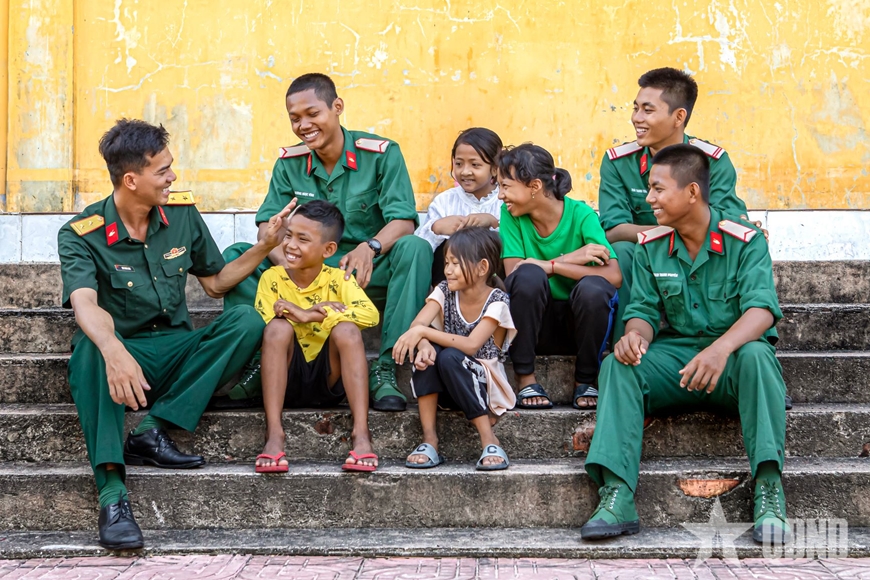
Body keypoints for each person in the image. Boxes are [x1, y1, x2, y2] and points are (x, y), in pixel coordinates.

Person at [58, 119, 293, 550]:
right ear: (131, 180)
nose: (172, 177)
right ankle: (112, 495)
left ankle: (152, 428)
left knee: (245, 320)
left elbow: (216, 283)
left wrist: (265, 247)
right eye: (162, 170)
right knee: (89, 349)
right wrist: (113, 349)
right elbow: (85, 303)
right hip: (123, 351)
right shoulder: (81, 233)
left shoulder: (181, 214)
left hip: (174, 349)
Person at [581, 144, 789, 545]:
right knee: (617, 365)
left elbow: (762, 311)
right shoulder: (651, 246)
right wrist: (634, 337)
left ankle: (769, 489)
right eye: (649, 189)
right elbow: (642, 310)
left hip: (731, 363)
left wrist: (720, 349)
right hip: (677, 362)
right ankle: (617, 494)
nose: (649, 198)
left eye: (658, 189)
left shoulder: (745, 242)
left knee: (758, 355)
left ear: (692, 192)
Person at [220, 73, 432, 412]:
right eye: (295, 118)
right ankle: (259, 364)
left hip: (360, 273)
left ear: (337, 107)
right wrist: (289, 266)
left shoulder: (381, 154)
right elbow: (267, 227)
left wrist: (370, 247)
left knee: (415, 249)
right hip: (304, 272)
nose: (303, 125)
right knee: (239, 256)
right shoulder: (289, 164)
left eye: (312, 113)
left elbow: (404, 221)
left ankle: (386, 368)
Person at [598, 67, 747, 341]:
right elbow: (614, 230)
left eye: (648, 110)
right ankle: (628, 345)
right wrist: (671, 234)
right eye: (635, 108)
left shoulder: (711, 162)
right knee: (623, 251)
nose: (636, 118)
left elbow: (729, 220)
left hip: (699, 252)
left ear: (679, 117)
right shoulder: (619, 162)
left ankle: (723, 341)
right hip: (645, 253)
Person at [253, 201, 380, 473]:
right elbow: (263, 321)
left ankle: (361, 433)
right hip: (285, 376)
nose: (290, 245)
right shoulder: (272, 278)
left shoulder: (339, 279)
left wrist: (312, 315)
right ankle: (274, 433)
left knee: (347, 329)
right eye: (288, 235)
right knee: (277, 328)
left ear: (328, 250)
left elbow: (370, 315)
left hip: (329, 377)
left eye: (303, 239)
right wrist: (299, 315)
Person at [499, 144, 622, 410]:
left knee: (594, 288)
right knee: (528, 275)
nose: (500, 195)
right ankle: (525, 378)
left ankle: (585, 380)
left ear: (534, 186)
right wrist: (572, 257)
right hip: (534, 325)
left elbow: (614, 275)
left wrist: (553, 266)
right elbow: (514, 273)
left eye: (506, 187)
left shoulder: (581, 214)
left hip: (578, 326)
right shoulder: (512, 216)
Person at [394, 227, 517, 470]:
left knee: (450, 356)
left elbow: (471, 345)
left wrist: (424, 333)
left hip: (484, 388)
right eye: (446, 263)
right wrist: (424, 344)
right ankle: (429, 440)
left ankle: (488, 439)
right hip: (448, 386)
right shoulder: (444, 290)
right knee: (428, 355)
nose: (447, 270)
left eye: (455, 264)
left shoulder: (497, 301)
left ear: (482, 267)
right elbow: (418, 325)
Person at [415, 127, 503, 285]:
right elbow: (420, 249)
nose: (465, 171)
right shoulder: (444, 202)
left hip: (492, 284)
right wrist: (436, 228)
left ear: (495, 168)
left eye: (475, 165)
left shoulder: (505, 200)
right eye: (459, 164)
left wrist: (492, 222)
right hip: (448, 283)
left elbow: (516, 244)